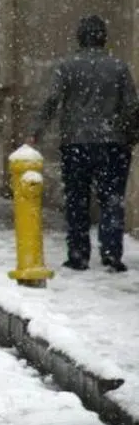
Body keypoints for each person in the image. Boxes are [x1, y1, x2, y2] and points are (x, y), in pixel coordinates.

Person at [30, 14, 139, 273]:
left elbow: (52, 100)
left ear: (80, 37)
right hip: (112, 143)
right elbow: (132, 106)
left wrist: (35, 132)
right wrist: (130, 136)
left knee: (77, 199)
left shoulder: (67, 67)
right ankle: (111, 253)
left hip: (76, 143)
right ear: (103, 38)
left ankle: (78, 254)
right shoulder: (119, 68)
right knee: (111, 199)